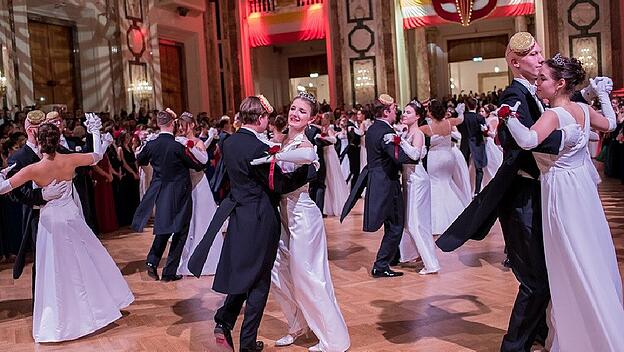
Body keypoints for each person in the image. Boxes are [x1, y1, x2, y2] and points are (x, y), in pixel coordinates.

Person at [436, 32, 607, 351]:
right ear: (515, 63)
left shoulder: (538, 95)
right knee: (535, 280)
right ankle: (514, 346)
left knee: (547, 270)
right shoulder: (513, 97)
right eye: (533, 55)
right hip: (520, 197)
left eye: (541, 51)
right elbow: (529, 142)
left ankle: (540, 332)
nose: (540, 57)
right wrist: (572, 138)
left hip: (542, 194)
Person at [502, 53, 622, 351]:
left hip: (561, 193)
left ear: (560, 84)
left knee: (567, 259)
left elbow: (528, 141)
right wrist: (604, 94)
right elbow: (610, 122)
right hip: (582, 191)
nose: (538, 83)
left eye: (543, 79)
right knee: (589, 252)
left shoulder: (552, 115)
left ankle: (578, 328)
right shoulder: (582, 108)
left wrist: (508, 118)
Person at [187, 96, 312, 352]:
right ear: (262, 118)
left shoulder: (230, 143)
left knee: (245, 274)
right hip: (261, 218)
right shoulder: (259, 149)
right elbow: (278, 186)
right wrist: (307, 172)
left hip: (239, 217)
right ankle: (247, 343)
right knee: (259, 282)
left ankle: (224, 321)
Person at [0, 117, 133, 343]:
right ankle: (97, 308)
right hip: (71, 216)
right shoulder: (70, 159)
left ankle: (63, 320)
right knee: (83, 261)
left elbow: (3, 189)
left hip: (51, 221)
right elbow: (97, 157)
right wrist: (95, 131)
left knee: (56, 270)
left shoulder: (34, 168)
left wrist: (3, 175)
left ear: (40, 143)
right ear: (57, 139)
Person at [253, 92, 350, 352]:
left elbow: (307, 158)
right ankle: (297, 325)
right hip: (284, 217)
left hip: (304, 219)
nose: (295, 114)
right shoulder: (284, 140)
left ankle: (334, 340)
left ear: (312, 118)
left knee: (308, 277)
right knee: (278, 273)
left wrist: (274, 157)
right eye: (293, 108)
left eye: (302, 111)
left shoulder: (306, 145)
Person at [341, 94, 418, 278]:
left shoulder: (374, 128)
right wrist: (416, 157)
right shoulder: (384, 131)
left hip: (378, 179)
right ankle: (381, 264)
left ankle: (392, 258)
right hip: (387, 182)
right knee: (396, 224)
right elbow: (397, 157)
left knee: (391, 222)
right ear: (386, 112)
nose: (396, 113)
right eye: (393, 110)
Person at [132, 109, 205, 282]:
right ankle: (169, 272)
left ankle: (152, 261)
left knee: (164, 227)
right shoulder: (177, 146)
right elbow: (196, 165)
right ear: (172, 124)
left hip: (161, 190)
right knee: (180, 230)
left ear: (158, 124)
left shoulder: (152, 144)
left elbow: (141, 160)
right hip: (179, 191)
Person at [8, 111, 67, 287]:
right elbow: (15, 192)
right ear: (33, 131)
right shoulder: (19, 158)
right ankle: (41, 304)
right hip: (37, 217)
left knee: (64, 257)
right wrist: (41, 196)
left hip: (62, 212)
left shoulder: (57, 151)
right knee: (43, 260)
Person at [174, 112, 222, 276]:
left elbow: (202, 163)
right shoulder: (178, 142)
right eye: (179, 125)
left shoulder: (198, 143)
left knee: (203, 219)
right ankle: (188, 256)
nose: (181, 128)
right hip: (186, 186)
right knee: (189, 221)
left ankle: (206, 259)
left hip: (200, 185)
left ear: (192, 125)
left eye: (184, 124)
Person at [398, 100, 440, 274]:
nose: (404, 115)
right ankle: (415, 255)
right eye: (404, 112)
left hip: (417, 178)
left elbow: (415, 155)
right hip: (408, 178)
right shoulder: (408, 132)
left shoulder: (418, 133)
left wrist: (399, 141)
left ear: (417, 116)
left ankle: (431, 264)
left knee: (417, 222)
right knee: (409, 221)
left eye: (408, 112)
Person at [421, 100, 468, 234]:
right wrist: (460, 111)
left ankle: (437, 222)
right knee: (447, 183)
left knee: (436, 184)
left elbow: (413, 133)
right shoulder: (449, 122)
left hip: (435, 158)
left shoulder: (427, 128)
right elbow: (461, 119)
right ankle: (458, 215)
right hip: (448, 157)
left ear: (431, 112)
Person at [319, 112, 349, 217]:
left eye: (323, 119)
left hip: (330, 154)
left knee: (332, 177)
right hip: (324, 154)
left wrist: (324, 138)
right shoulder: (320, 128)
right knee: (326, 179)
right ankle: (326, 206)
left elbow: (334, 140)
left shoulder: (329, 129)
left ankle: (335, 203)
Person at [462, 97, 488, 195]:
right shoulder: (479, 117)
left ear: (466, 105)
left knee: (464, 167)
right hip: (477, 143)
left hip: (465, 143)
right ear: (476, 106)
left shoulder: (463, 117)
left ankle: (466, 189)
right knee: (479, 168)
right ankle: (477, 191)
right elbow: (484, 130)